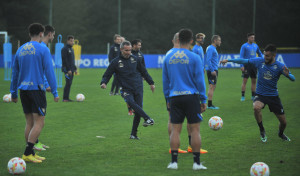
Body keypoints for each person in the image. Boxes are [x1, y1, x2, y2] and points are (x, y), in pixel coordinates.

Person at [220, 44, 295, 142]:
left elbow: (293, 79)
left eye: (267, 56)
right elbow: (244, 60)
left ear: (274, 56)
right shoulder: (260, 61)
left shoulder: (280, 66)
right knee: (256, 107)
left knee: (284, 123)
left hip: (273, 96)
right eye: (264, 55)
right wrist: (229, 60)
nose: (265, 57)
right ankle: (262, 130)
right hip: (260, 94)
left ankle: (280, 134)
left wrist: (288, 75)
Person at [10, 23, 59, 163]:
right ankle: (26, 153)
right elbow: (49, 72)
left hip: (23, 91)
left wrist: (13, 93)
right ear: (41, 34)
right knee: (39, 123)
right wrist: (55, 92)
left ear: (29, 34)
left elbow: (15, 73)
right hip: (36, 90)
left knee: (29, 123)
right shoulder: (42, 49)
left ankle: (31, 153)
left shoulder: (20, 50)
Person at [163, 29, 207, 170]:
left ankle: (174, 162)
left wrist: (167, 98)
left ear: (178, 40)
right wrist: (203, 99)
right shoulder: (195, 57)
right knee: (195, 130)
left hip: (175, 96)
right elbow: (200, 81)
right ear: (191, 41)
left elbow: (166, 81)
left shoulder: (168, 57)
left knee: (176, 130)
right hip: (191, 96)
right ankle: (197, 163)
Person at [100, 41, 155, 139]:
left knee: (138, 110)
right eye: (126, 50)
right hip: (125, 89)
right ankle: (147, 118)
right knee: (130, 102)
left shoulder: (135, 59)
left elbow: (144, 71)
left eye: (129, 50)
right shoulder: (115, 62)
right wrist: (104, 82)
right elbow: (107, 74)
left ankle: (133, 134)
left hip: (138, 87)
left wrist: (151, 82)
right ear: (121, 50)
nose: (128, 52)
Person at [32, 24, 55, 151]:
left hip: (32, 87)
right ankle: (33, 145)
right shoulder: (41, 47)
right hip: (37, 87)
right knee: (38, 120)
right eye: (53, 35)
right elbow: (42, 69)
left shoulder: (41, 46)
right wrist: (47, 84)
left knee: (34, 120)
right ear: (49, 34)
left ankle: (35, 142)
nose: (53, 38)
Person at [239, 33, 263, 101]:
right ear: (248, 38)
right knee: (245, 81)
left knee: (254, 81)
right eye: (252, 37)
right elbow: (241, 56)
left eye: (253, 37)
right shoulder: (244, 46)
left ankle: (253, 96)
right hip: (247, 65)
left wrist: (263, 58)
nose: (253, 39)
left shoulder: (255, 45)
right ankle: (243, 96)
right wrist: (241, 65)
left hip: (254, 65)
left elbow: (260, 53)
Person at [205, 35, 221, 109]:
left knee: (213, 86)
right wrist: (212, 70)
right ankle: (209, 105)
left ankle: (209, 104)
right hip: (212, 70)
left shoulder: (212, 48)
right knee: (211, 87)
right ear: (215, 40)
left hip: (214, 69)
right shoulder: (211, 48)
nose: (220, 42)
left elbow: (212, 59)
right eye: (219, 40)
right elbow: (208, 60)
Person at [61, 35, 77, 102]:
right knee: (68, 83)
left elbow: (72, 60)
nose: (72, 42)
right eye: (71, 41)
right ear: (67, 41)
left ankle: (67, 98)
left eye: (73, 41)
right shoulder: (64, 49)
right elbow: (65, 60)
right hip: (67, 69)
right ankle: (65, 98)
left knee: (69, 83)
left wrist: (75, 69)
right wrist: (68, 70)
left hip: (71, 69)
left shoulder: (71, 49)